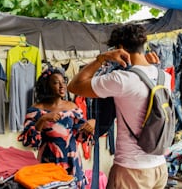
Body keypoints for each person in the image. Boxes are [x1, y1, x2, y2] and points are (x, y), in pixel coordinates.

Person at [67, 23, 171, 189]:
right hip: (159, 167)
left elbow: (74, 85)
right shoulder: (163, 76)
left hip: (132, 170)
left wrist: (102, 59)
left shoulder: (121, 79)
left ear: (120, 48)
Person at [18, 67, 95, 189]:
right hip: (49, 162)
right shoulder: (37, 110)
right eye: (56, 82)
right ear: (46, 86)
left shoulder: (72, 107)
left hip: (72, 161)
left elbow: (80, 136)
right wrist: (43, 119)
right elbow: (29, 141)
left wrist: (91, 125)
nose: (62, 86)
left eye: (63, 82)